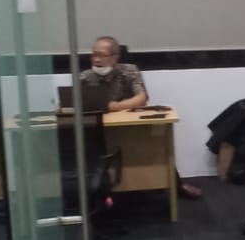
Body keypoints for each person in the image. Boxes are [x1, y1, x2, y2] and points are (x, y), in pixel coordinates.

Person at [82, 35, 202, 198]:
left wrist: (116, 106)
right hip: (99, 129)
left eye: (101, 55)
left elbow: (142, 98)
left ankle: (176, 185)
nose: (96, 60)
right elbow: (77, 102)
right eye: (93, 54)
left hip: (130, 126)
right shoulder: (85, 77)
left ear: (115, 57)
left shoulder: (129, 71)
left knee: (157, 145)